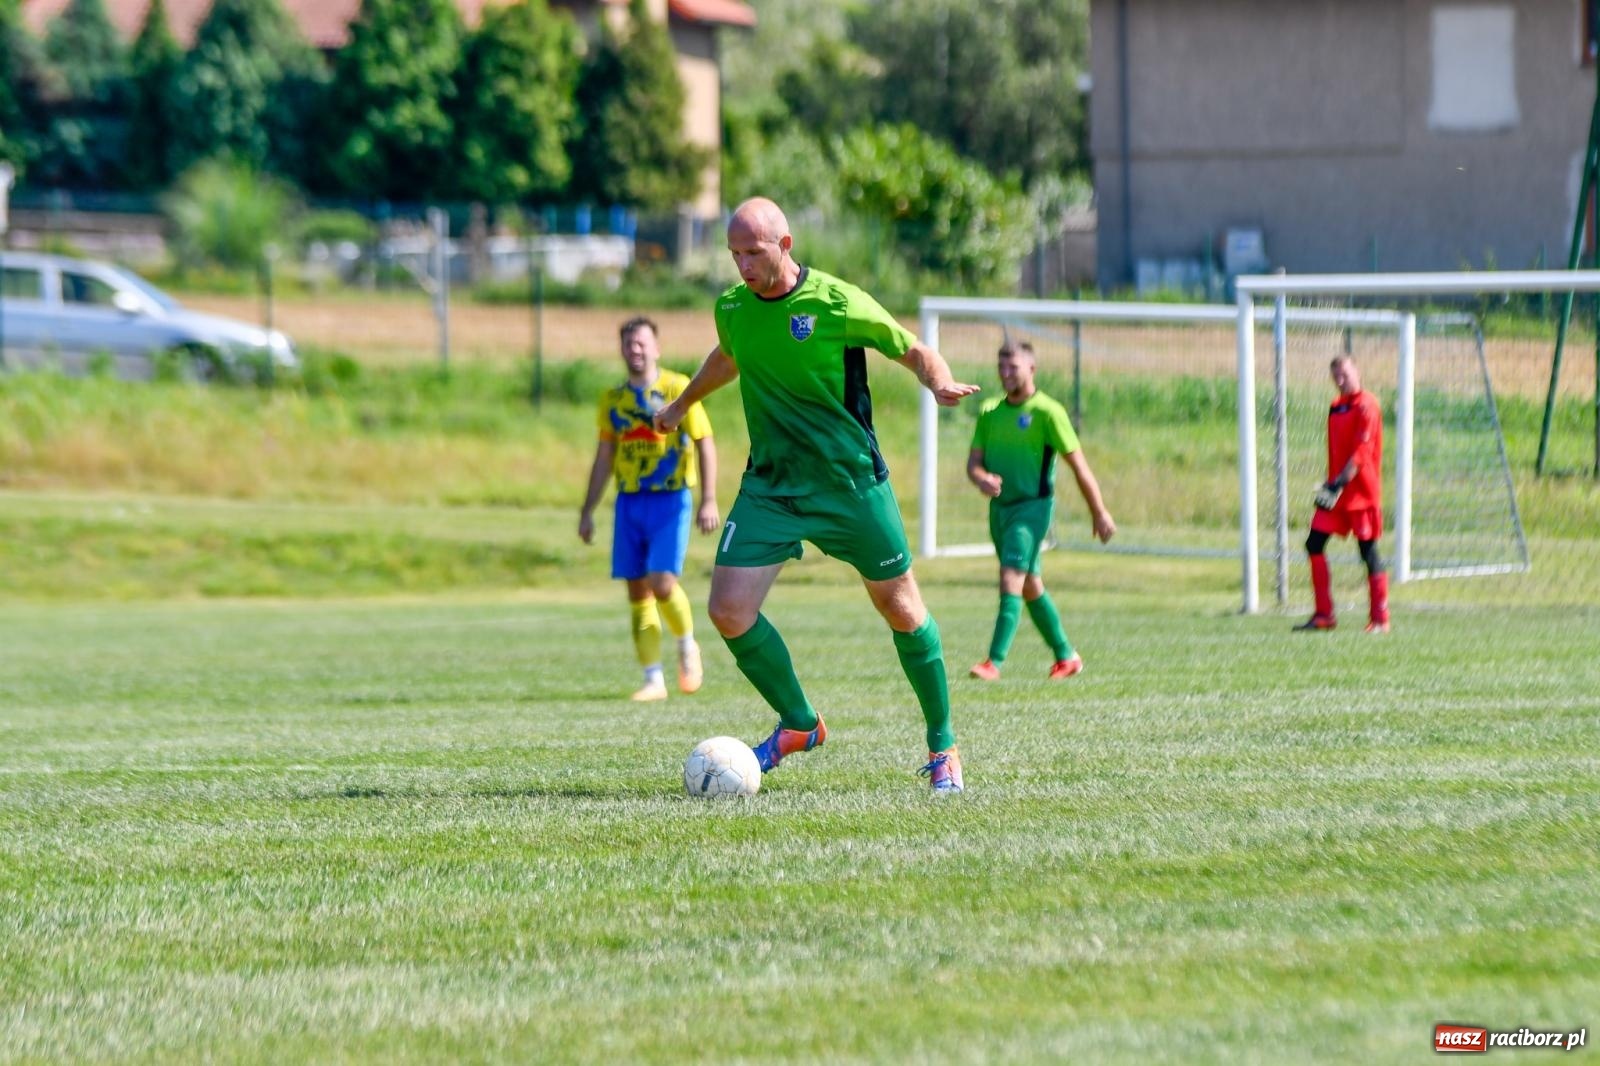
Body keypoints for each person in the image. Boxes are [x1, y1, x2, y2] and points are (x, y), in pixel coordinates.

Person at [653, 197, 980, 793]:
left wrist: (937, 381)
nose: (743, 266)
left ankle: (944, 747)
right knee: (727, 610)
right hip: (772, 485)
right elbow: (731, 356)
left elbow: (911, 347)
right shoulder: (732, 307)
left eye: (753, 252)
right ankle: (800, 724)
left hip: (849, 484)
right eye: (734, 255)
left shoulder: (835, 301)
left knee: (902, 609)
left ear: (786, 244)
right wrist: (681, 405)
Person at [580, 316, 721, 701]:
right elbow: (605, 454)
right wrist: (587, 509)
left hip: (671, 498)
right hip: (629, 500)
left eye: (641, 343)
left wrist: (709, 498)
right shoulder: (614, 401)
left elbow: (704, 441)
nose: (635, 350)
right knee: (637, 590)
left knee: (662, 583)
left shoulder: (678, 389)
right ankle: (653, 679)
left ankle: (687, 644)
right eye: (628, 344)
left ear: (656, 348)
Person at [965, 340, 1116, 681]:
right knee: (1030, 584)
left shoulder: (1048, 412)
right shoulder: (990, 411)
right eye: (1001, 367)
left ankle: (993, 662)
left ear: (1031, 369)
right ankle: (1067, 656)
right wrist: (982, 479)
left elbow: (1079, 466)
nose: (1005, 374)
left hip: (1032, 510)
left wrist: (1099, 512)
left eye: (1012, 367)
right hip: (999, 511)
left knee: (1011, 577)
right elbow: (973, 463)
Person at [1296, 354, 1389, 633]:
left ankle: (1380, 619)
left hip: (1359, 492)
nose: (1339, 380)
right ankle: (1324, 615)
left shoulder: (1367, 405)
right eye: (1335, 375)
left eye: (1344, 373)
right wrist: (1332, 484)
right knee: (1313, 543)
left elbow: (1361, 453)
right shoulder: (1336, 407)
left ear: (1356, 371)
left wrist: (1338, 483)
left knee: (1368, 552)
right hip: (1336, 490)